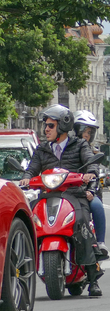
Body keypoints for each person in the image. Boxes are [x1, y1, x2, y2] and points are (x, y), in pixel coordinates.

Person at [19, 104, 102, 297]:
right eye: (45, 126)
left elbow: (91, 163)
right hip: (48, 195)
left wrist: (90, 174)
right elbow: (32, 169)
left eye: (50, 125)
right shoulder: (41, 149)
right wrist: (26, 177)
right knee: (26, 221)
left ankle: (92, 277)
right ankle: (21, 270)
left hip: (75, 195)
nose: (46, 129)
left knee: (82, 226)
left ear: (63, 127)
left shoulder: (79, 145)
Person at [73, 109, 108, 259]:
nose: (86, 135)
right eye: (83, 131)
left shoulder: (92, 152)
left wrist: (91, 188)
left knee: (97, 205)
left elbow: (94, 171)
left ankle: (100, 242)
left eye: (89, 132)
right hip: (66, 190)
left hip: (86, 192)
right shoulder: (66, 148)